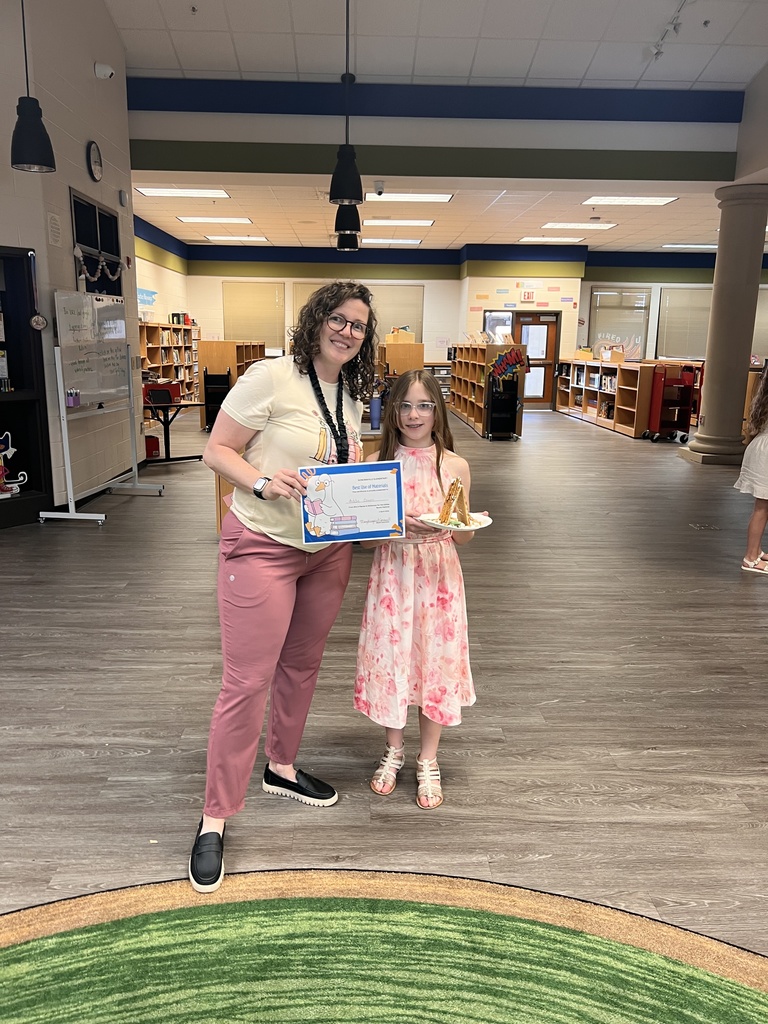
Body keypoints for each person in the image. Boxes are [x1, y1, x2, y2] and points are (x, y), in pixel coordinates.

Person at [188, 281, 377, 893]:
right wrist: (262, 481)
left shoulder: (348, 392)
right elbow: (216, 449)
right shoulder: (270, 377)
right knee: (246, 681)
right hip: (261, 546)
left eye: (359, 325)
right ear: (316, 319)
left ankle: (281, 766)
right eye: (339, 319)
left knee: (302, 665)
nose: (348, 331)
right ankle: (215, 816)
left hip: (326, 551)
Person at [354, 369, 478, 809]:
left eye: (424, 405)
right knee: (393, 659)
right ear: (392, 412)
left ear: (437, 411)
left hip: (439, 575)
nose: (413, 414)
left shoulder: (454, 464)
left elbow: (463, 535)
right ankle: (394, 749)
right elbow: (365, 540)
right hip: (393, 572)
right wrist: (392, 526)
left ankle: (428, 758)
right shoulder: (376, 466)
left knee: (433, 662)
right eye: (404, 405)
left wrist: (452, 522)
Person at [736, 365, 768, 574]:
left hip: (762, 449)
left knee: (763, 507)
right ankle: (750, 558)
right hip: (765, 454)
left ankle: (756, 551)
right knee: (762, 508)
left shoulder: (764, 394)